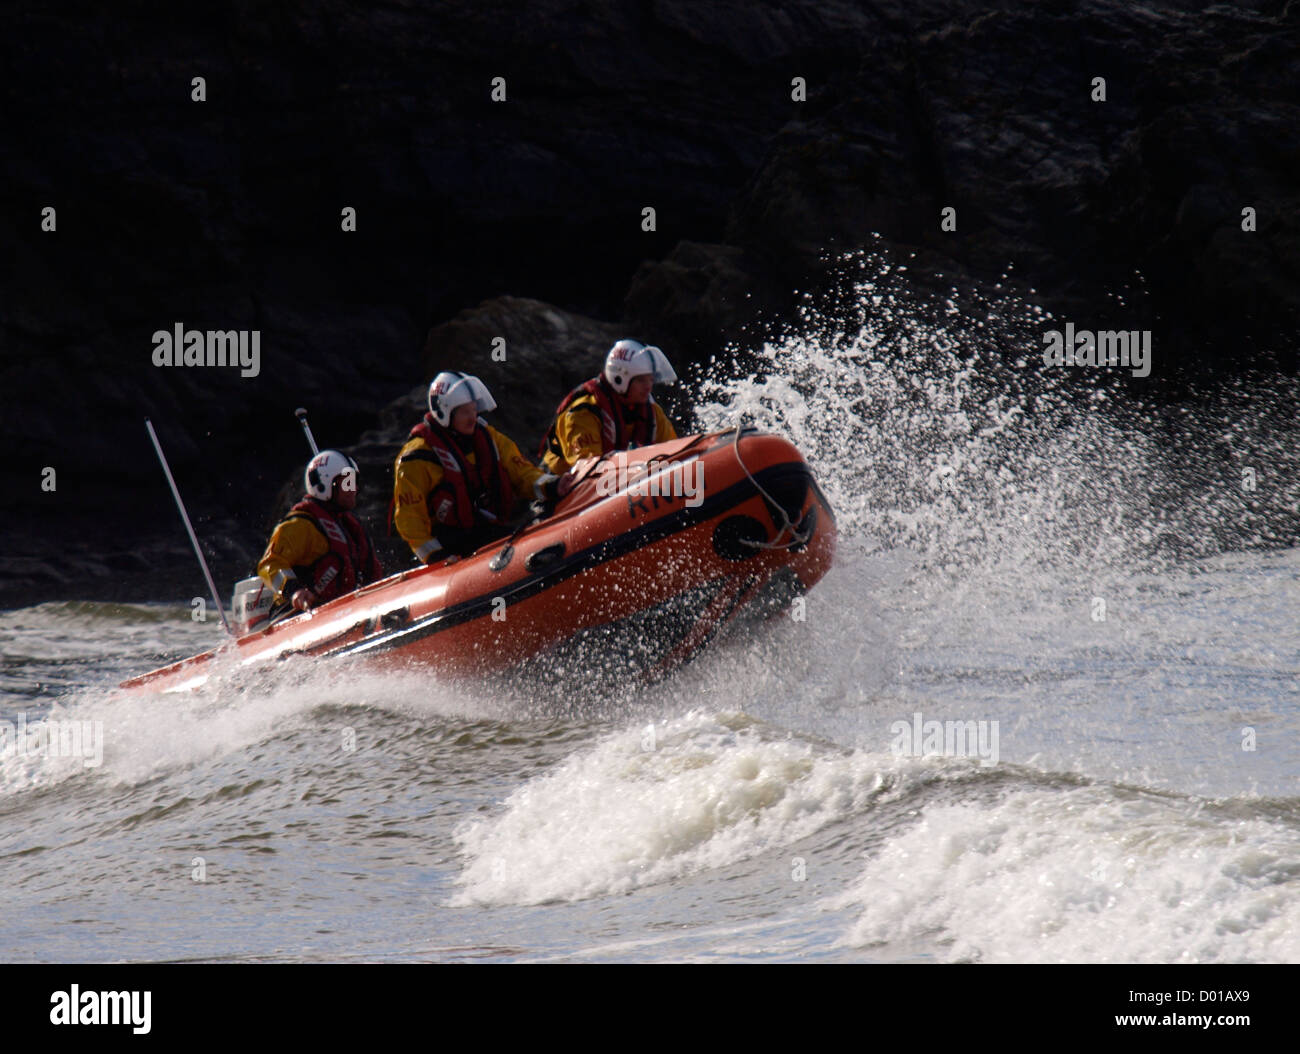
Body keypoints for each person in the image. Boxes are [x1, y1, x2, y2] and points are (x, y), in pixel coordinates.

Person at [393, 371, 572, 564]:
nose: (472, 417)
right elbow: (410, 518)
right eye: (464, 412)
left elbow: (521, 471)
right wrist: (436, 557)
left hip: (485, 530)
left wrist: (552, 485)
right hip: (448, 544)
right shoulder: (417, 458)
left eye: (474, 410)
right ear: (444, 412)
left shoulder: (489, 438)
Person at [258, 450, 384, 613]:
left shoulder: (351, 528)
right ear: (325, 484)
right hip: (300, 614)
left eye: (354, 482)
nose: (354, 488)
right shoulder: (300, 525)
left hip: (344, 610)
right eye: (348, 482)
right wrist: (294, 591)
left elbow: (372, 573)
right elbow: (270, 564)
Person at [539, 339, 679, 475]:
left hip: (614, 482)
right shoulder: (583, 412)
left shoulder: (651, 411)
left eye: (651, 379)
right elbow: (586, 468)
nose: (648, 387)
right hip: (562, 487)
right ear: (619, 378)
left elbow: (674, 449)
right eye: (641, 380)